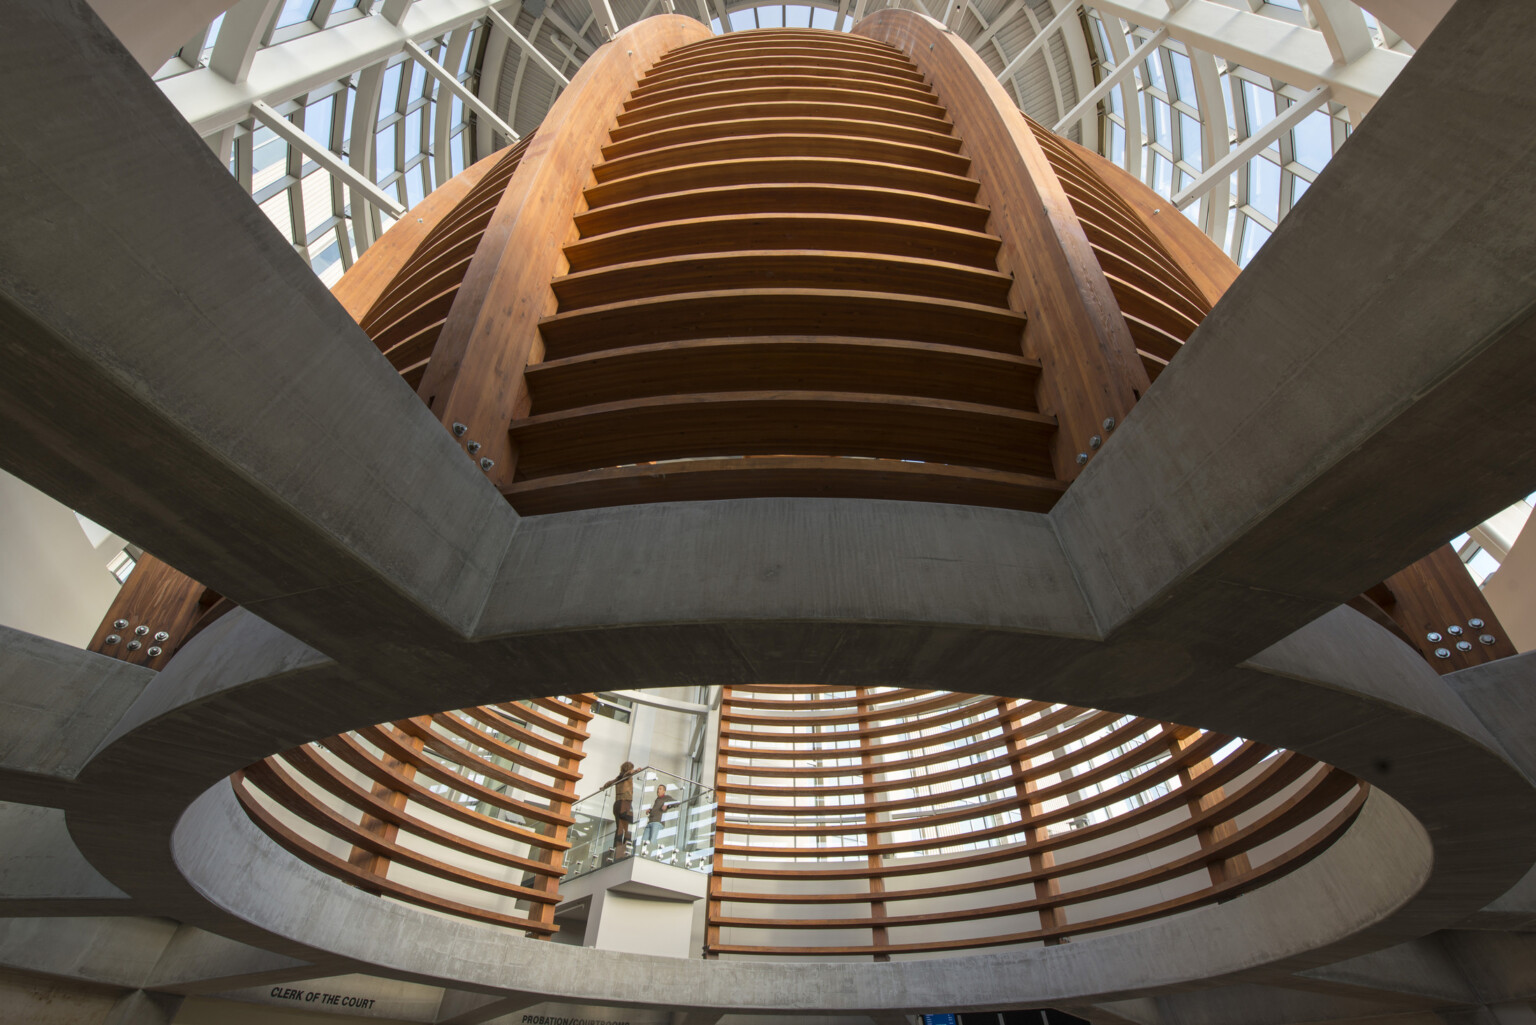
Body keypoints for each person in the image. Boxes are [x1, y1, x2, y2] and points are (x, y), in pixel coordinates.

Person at [598, 762, 639, 855]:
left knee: (619, 828)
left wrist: (603, 787)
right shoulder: (627, 776)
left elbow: (609, 783)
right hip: (625, 803)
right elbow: (628, 774)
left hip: (617, 804)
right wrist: (635, 771)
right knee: (628, 828)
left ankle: (616, 851)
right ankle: (626, 850)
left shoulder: (618, 778)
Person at [641, 784, 677, 851]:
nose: (658, 790)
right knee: (644, 841)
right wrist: (650, 810)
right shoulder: (657, 799)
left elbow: (677, 803)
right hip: (650, 821)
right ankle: (644, 852)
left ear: (664, 791)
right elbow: (657, 809)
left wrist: (667, 805)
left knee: (652, 840)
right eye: (658, 789)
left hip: (657, 822)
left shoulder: (667, 798)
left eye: (660, 789)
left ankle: (653, 853)